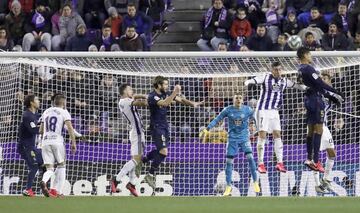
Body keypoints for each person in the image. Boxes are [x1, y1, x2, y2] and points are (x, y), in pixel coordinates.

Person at [142, 76, 204, 189]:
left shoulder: (166, 93)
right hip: (156, 127)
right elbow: (165, 103)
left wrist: (193, 103)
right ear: (158, 85)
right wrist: (174, 92)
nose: (167, 86)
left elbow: (180, 99)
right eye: (165, 84)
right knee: (164, 152)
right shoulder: (152, 96)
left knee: (161, 151)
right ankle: (150, 174)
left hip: (164, 126)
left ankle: (143, 160)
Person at [245, 61, 306, 173]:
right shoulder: (265, 77)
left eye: (279, 69)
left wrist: (306, 88)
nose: (278, 71)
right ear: (271, 70)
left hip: (275, 112)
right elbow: (256, 80)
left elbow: (296, 86)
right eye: (275, 69)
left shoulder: (284, 81)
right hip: (263, 110)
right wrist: (248, 81)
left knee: (277, 135)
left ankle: (280, 163)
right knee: (262, 135)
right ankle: (260, 164)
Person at [200, 93, 260, 196]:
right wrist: (207, 129)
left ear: (243, 100)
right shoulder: (227, 110)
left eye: (240, 97)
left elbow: (256, 118)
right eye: (236, 97)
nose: (238, 99)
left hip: (244, 137)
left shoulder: (248, 109)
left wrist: (259, 128)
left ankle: (255, 182)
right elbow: (217, 119)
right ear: (233, 99)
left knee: (250, 157)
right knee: (229, 162)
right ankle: (228, 186)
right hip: (232, 138)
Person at [296, 47, 344, 172]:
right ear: (305, 55)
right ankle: (316, 161)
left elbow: (315, 86)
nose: (311, 57)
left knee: (311, 131)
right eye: (310, 54)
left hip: (308, 100)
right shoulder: (308, 68)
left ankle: (309, 158)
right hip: (316, 101)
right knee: (319, 130)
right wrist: (336, 92)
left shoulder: (299, 70)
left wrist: (328, 96)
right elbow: (321, 84)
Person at [110, 84, 148, 197]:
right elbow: (140, 103)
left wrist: (146, 95)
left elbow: (136, 96)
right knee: (137, 159)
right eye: (130, 89)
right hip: (138, 133)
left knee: (134, 160)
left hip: (134, 132)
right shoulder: (126, 101)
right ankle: (116, 179)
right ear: (125, 91)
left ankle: (131, 184)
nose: (132, 90)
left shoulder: (123, 101)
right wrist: (151, 99)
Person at [39, 94, 76, 197]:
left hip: (45, 142)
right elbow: (70, 128)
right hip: (57, 141)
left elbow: (41, 130)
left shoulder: (46, 111)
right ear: (63, 103)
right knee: (62, 165)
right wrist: (73, 142)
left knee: (50, 168)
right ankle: (58, 191)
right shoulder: (64, 112)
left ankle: (44, 181)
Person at [314, 73, 337, 194]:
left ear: (329, 81)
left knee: (332, 153)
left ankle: (326, 179)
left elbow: (336, 97)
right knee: (315, 156)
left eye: (324, 79)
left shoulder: (330, 92)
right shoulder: (316, 90)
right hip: (315, 125)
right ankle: (317, 184)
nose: (322, 80)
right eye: (321, 78)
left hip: (325, 126)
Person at [17, 95, 45, 197]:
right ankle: (27, 189)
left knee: (44, 163)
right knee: (34, 167)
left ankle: (45, 187)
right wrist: (46, 130)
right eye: (37, 99)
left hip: (30, 146)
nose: (39, 101)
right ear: (32, 103)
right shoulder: (27, 115)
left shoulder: (34, 115)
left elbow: (40, 119)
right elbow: (33, 130)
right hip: (25, 146)